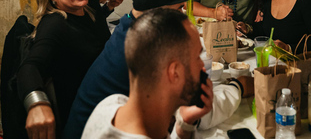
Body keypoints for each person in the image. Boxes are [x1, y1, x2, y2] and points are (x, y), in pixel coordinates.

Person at [63, 0, 252, 139]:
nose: (184, 15)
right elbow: (197, 111)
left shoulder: (129, 29)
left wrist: (185, 125)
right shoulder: (146, 50)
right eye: (179, 10)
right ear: (157, 14)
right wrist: (237, 87)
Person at [17, 0, 111, 138]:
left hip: (104, 101)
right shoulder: (55, 24)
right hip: (81, 116)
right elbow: (29, 67)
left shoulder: (90, 6)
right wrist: (37, 104)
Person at [82, 8, 213, 138]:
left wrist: (186, 123)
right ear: (174, 73)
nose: (202, 67)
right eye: (197, 57)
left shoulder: (111, 104)